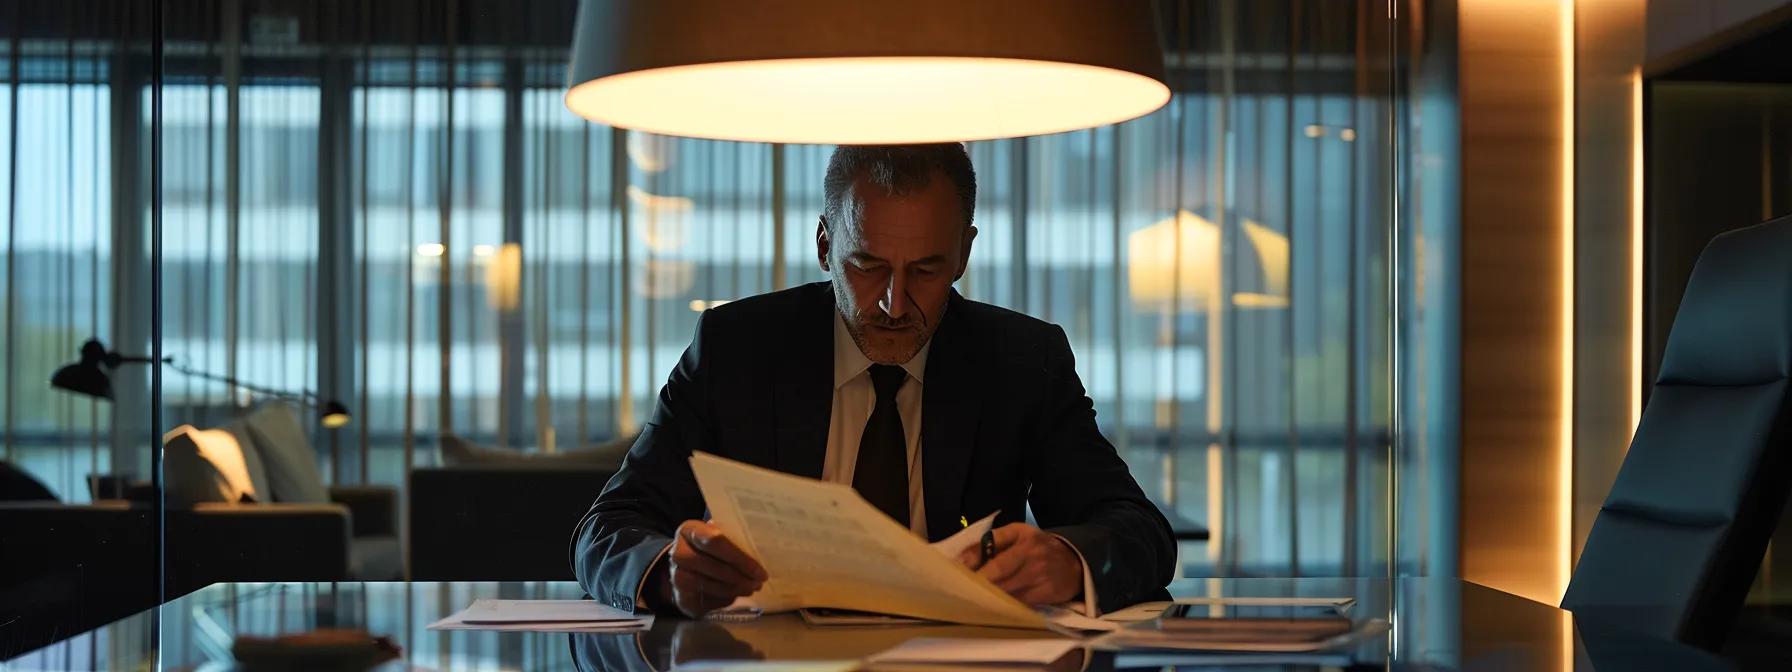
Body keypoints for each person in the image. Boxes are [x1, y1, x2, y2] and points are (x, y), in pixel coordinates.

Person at [572, 143, 1175, 618]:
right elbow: (605, 529)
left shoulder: (1022, 361)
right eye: (867, 265)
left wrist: (1068, 560)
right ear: (824, 245)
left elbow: (1141, 531)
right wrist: (667, 572)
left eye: (927, 270)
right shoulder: (737, 349)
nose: (893, 303)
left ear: (963, 255)